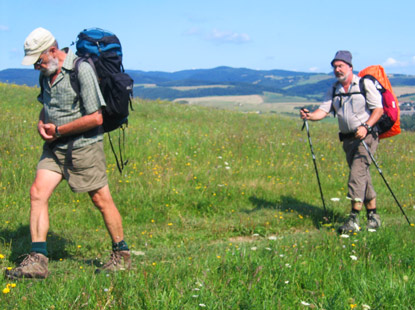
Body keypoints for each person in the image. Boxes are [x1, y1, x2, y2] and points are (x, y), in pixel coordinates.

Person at [5, 27, 131, 279]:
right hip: (55, 147)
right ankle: (37, 260)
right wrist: (42, 123)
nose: (36, 67)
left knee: (100, 199)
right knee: (37, 193)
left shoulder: (80, 69)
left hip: (84, 147)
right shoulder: (46, 72)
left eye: (37, 61)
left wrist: (59, 129)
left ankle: (122, 254)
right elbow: (46, 105)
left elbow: (96, 117)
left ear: (52, 50)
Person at [300, 50, 384, 233]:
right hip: (348, 140)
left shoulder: (364, 83)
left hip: (367, 136)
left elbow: (378, 110)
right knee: (363, 177)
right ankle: (373, 217)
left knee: (357, 173)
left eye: (341, 66)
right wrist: (309, 116)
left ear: (350, 67)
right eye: (335, 67)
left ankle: (353, 219)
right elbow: (323, 111)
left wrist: (366, 127)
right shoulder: (334, 89)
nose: (337, 70)